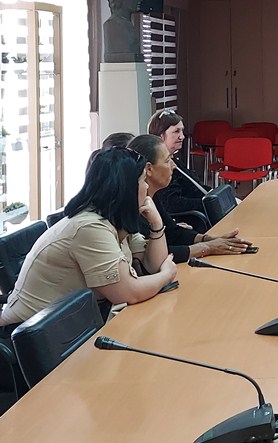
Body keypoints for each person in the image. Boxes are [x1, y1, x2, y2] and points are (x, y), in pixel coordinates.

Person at [0, 149, 177, 327]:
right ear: (127, 188)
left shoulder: (115, 220)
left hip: (66, 325)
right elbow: (129, 293)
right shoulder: (90, 227)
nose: (147, 187)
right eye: (143, 180)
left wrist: (156, 224)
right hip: (30, 332)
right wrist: (166, 275)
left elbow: (153, 266)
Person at [126, 135, 253, 263]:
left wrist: (209, 239)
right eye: (167, 161)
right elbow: (154, 255)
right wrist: (208, 247)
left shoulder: (153, 197)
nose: (173, 166)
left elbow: (173, 233)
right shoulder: (133, 208)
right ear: (148, 169)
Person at [147, 109, 210, 218]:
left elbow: (193, 188)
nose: (182, 136)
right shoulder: (159, 168)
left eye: (182, 131)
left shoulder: (175, 161)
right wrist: (207, 204)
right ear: (160, 136)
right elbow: (172, 204)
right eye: (176, 131)